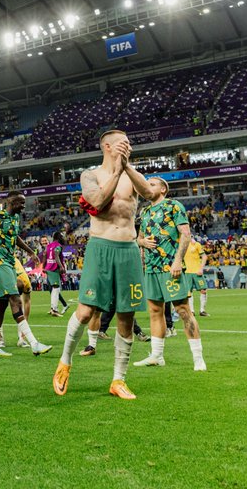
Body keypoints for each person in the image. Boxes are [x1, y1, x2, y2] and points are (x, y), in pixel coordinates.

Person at [53, 130, 151, 400]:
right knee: (85, 313)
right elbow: (97, 201)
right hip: (100, 247)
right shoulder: (91, 174)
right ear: (107, 146)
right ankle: (65, 362)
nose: (128, 145)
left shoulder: (131, 174)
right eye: (122, 142)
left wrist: (126, 167)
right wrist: (117, 172)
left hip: (129, 249)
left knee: (127, 316)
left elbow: (149, 192)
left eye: (129, 142)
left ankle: (118, 380)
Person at [132, 178, 206, 371]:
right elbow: (138, 238)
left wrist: (176, 261)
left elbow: (186, 234)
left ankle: (198, 358)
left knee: (183, 310)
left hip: (170, 267)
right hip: (151, 269)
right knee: (155, 312)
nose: (148, 186)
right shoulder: (145, 212)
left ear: (163, 189)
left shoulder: (174, 206)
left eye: (152, 184)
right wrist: (142, 243)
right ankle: (156, 356)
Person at [0, 193, 52, 357]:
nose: (24, 206)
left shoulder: (14, 220)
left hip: (9, 262)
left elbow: (15, 237)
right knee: (15, 299)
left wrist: (29, 251)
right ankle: (34, 343)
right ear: (11, 202)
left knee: (2, 302)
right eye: (21, 203)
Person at [45, 231, 67, 316]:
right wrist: (61, 266)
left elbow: (45, 255)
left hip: (49, 267)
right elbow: (56, 254)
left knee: (54, 289)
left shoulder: (49, 245)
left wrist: (44, 266)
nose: (63, 238)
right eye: (61, 237)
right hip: (53, 268)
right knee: (56, 288)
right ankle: (54, 309)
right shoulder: (58, 246)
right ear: (58, 237)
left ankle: (52, 309)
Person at [185, 238, 209, 317]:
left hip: (197, 271)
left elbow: (204, 256)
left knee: (203, 290)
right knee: (189, 292)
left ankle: (202, 310)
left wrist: (201, 268)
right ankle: (191, 311)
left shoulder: (196, 244)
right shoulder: (181, 245)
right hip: (187, 272)